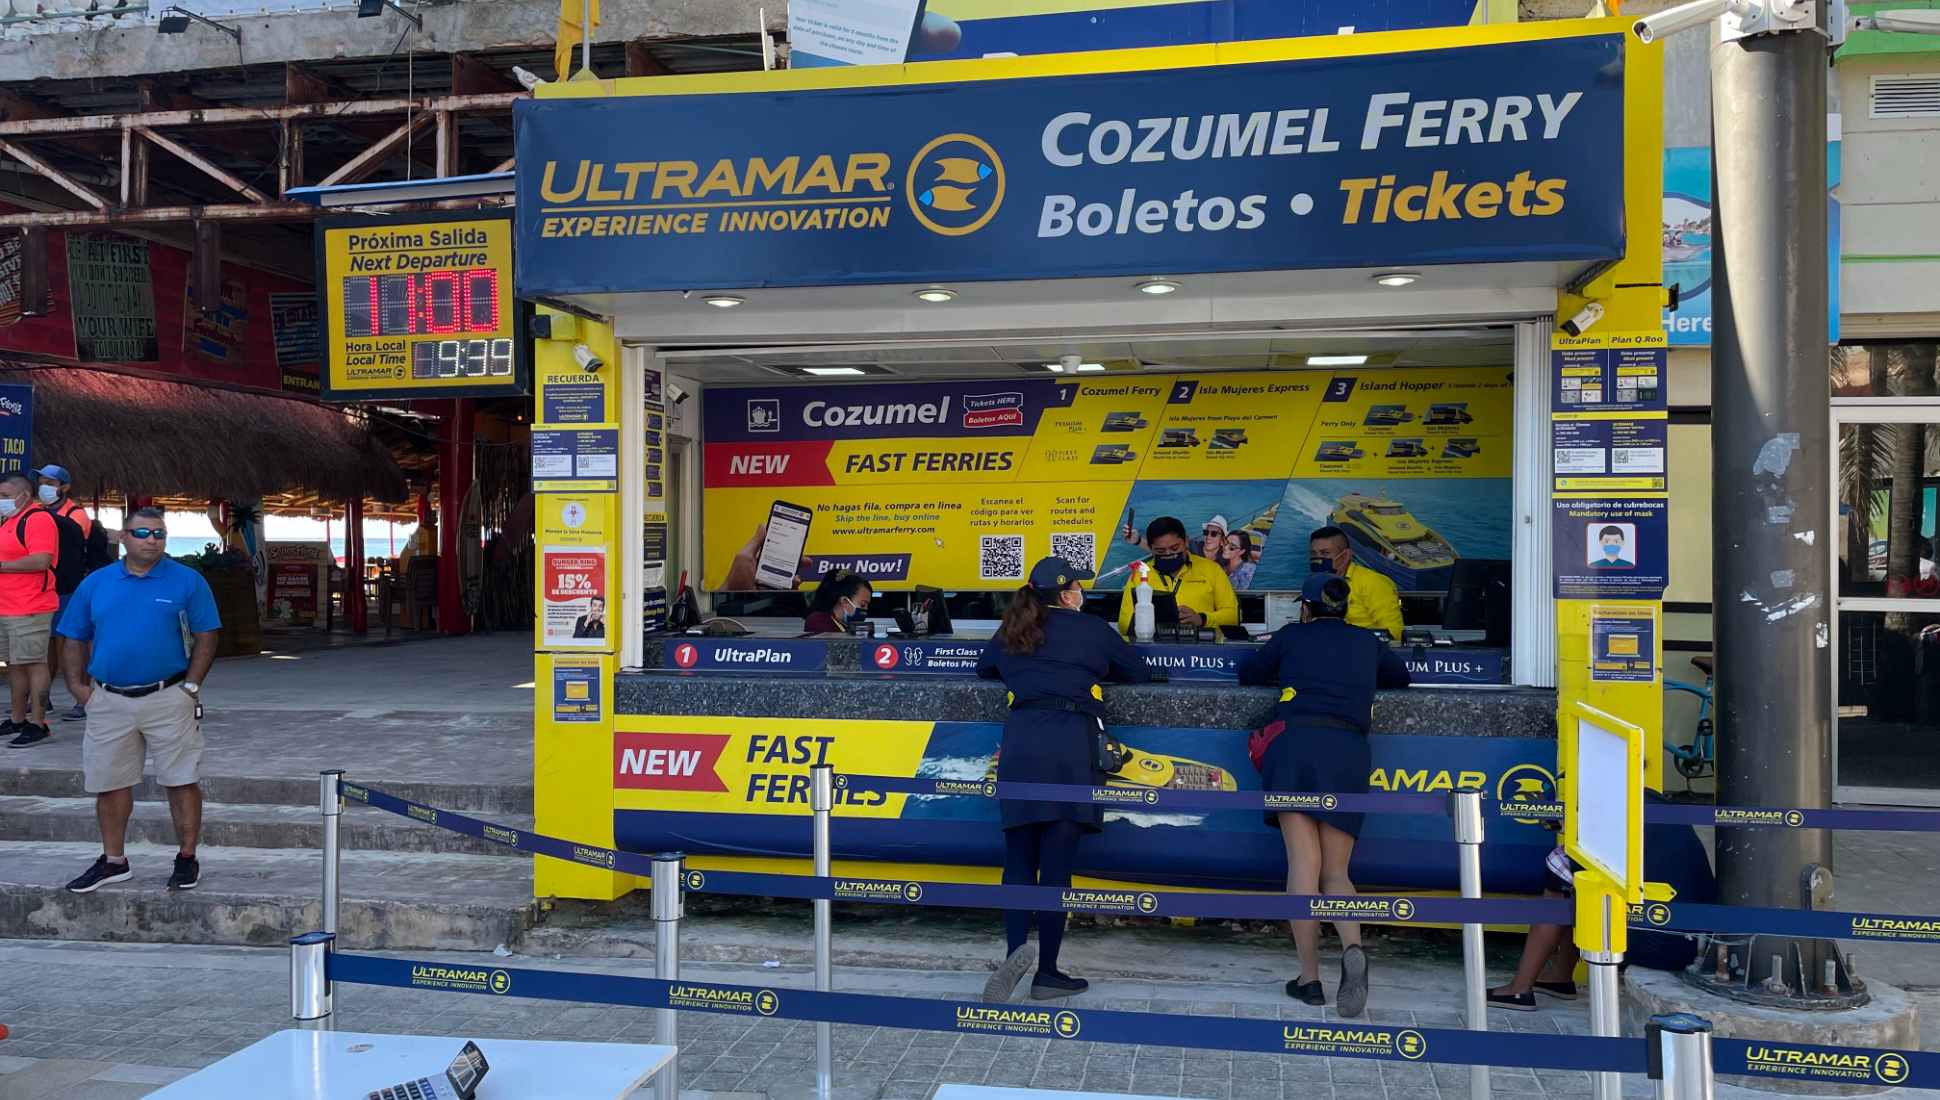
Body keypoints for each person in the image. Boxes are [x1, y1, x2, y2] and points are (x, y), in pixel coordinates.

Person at [977, 556, 1152, 1003]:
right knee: (1056, 866)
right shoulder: (1090, 629)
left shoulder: (1013, 629)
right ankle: (1047, 972)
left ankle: (1015, 955)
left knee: (1018, 859)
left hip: (1021, 744)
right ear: (1069, 592)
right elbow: (1138, 671)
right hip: (1070, 748)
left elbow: (985, 667)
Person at [1238, 573, 1411, 1016]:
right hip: (1346, 751)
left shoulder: (1293, 636)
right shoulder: (1366, 642)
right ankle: (1352, 947)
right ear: (1346, 606)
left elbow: (1249, 672)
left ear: (1306, 607)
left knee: (1303, 864)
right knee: (1337, 872)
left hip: (1295, 747)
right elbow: (1400, 677)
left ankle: (1309, 978)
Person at [54, 508, 221, 894]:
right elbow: (72, 635)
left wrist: (191, 688)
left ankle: (186, 858)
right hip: (108, 699)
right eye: (142, 532)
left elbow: (207, 635)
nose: (151, 539)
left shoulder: (187, 581)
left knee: (181, 780)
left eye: (159, 534)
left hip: (169, 696)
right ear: (123, 538)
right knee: (109, 784)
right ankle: (114, 860)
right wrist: (78, 688)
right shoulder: (96, 583)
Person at [35, 465, 103, 722]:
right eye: (41, 481)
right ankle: (43, 698)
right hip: (45, 588)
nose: (43, 487)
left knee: (72, 644)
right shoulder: (39, 511)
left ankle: (82, 698)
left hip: (70, 587)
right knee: (47, 644)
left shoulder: (76, 515)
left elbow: (69, 546)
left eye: (49, 482)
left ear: (64, 487)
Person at [0, 474, 61, 748]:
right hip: (7, 606)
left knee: (34, 662)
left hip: (31, 605)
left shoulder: (38, 519)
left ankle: (38, 723)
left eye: (5, 496)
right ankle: (17, 719)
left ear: (24, 495)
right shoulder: (9, 521)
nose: (2, 501)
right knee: (15, 663)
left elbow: (41, 559)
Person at [1116, 516, 1239, 636]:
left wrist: (1202, 619)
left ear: (1186, 541)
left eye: (1175, 548)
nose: (1169, 553)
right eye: (1160, 551)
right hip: (1153, 651)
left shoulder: (1212, 570)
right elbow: (1123, 625)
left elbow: (1233, 616)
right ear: (1151, 548)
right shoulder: (1139, 574)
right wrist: (1149, 618)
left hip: (1202, 651)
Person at [1308, 525, 1405, 640]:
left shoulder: (1374, 583)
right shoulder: (1314, 583)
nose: (1318, 559)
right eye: (1314, 554)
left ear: (1345, 555)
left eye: (1325, 553)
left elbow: (1394, 632)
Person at [804, 573, 871, 634]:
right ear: (845, 601)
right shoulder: (818, 621)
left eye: (867, 606)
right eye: (863, 605)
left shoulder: (846, 626)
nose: (866, 610)